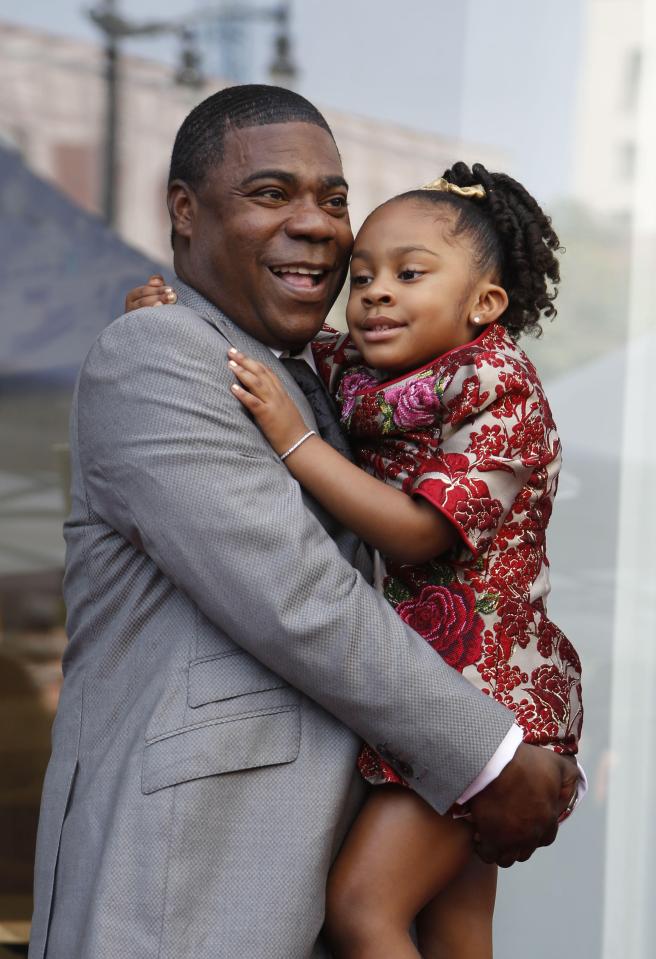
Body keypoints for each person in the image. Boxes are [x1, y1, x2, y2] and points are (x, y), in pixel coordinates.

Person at [30, 87, 579, 959]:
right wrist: (490, 754)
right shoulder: (161, 353)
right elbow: (299, 595)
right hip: (185, 902)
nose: (320, 226)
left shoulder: (324, 381)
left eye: (333, 199)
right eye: (271, 193)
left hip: (300, 896)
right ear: (185, 211)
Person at [208, 166, 585, 958]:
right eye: (365, 276)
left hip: (488, 691)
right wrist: (177, 315)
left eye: (410, 274)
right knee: (451, 929)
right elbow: (265, 331)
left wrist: (296, 441)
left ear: (483, 305)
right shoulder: (364, 371)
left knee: (361, 909)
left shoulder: (499, 385)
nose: (377, 292)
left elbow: (419, 531)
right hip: (426, 684)